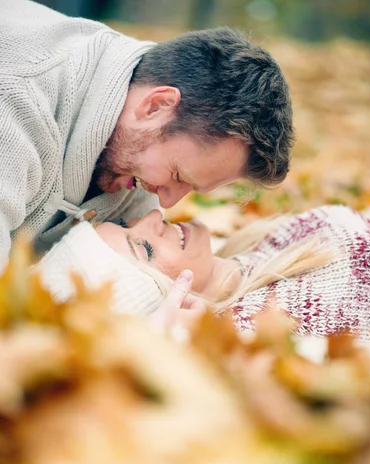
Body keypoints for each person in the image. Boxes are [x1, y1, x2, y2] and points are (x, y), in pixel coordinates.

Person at [0, 0, 294, 274]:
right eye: (178, 175)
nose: (166, 205)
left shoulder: (132, 152)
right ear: (156, 106)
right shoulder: (17, 96)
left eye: (190, 188)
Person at [35, 204, 370, 343]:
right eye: (144, 248)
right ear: (164, 297)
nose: (153, 218)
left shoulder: (251, 247)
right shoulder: (258, 326)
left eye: (129, 224)